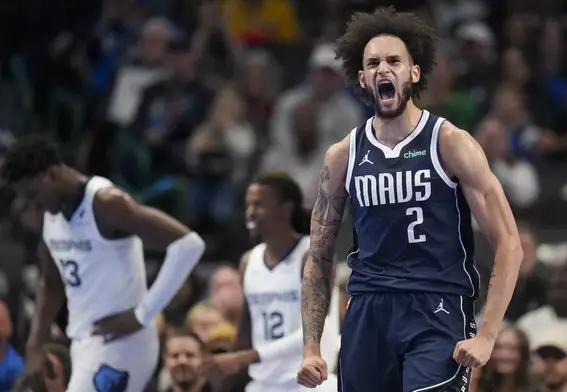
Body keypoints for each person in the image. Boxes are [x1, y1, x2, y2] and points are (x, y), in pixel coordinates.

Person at [297, 7, 523, 392]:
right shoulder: (343, 156)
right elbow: (318, 256)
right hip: (368, 307)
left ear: (413, 73)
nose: (384, 68)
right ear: (363, 79)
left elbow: (509, 243)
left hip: (436, 306)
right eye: (374, 63)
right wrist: (311, 347)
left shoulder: (450, 143)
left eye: (394, 60)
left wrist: (487, 334)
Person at [0, 135, 206, 391]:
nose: (33, 204)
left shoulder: (106, 203)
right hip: (84, 340)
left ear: (51, 175)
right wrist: (35, 342)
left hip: (124, 344)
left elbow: (188, 245)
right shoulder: (49, 214)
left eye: (33, 194)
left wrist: (143, 314)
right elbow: (52, 282)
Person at [205, 172, 339, 392]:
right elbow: (246, 332)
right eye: (248, 205)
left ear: (286, 208)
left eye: (259, 205)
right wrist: (225, 368)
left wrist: (247, 357)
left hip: (310, 384)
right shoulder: (249, 261)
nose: (251, 212)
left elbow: (315, 332)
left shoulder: (312, 255)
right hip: (263, 384)